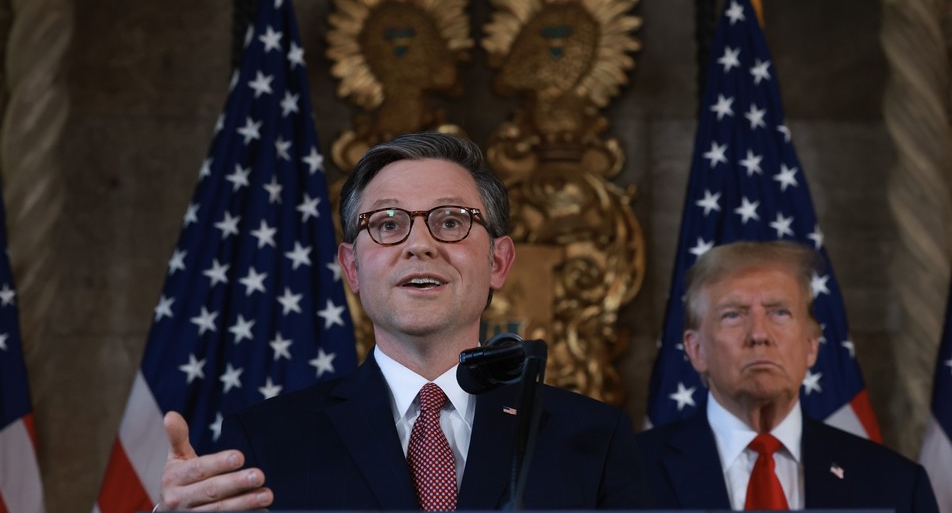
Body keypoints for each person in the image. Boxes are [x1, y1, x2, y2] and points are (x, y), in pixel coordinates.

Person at [156, 132, 648, 511]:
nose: (419, 244)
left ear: (498, 261)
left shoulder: (591, 439)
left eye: (451, 221)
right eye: (388, 224)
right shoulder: (266, 441)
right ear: (351, 266)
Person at [637, 240, 938, 513]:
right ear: (696, 349)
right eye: (733, 314)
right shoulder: (620, 475)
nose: (758, 334)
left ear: (811, 345)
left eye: (779, 313)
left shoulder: (895, 486)